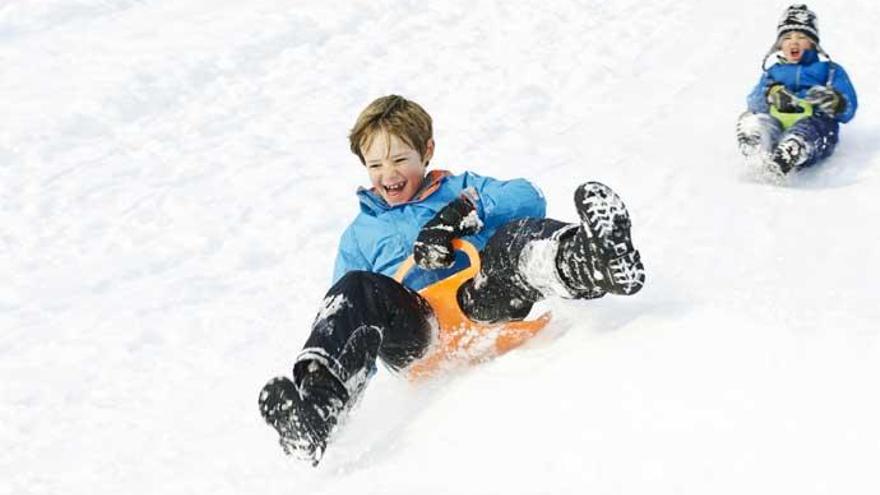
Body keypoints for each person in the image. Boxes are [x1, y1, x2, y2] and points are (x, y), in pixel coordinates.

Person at [257, 95, 646, 465]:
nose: (387, 174)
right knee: (355, 290)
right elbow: (349, 319)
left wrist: (458, 214)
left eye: (399, 159)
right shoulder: (360, 236)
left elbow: (528, 196)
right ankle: (318, 412)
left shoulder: (459, 189)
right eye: (375, 165)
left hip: (480, 302)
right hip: (416, 336)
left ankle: (596, 261)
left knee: (508, 245)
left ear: (427, 151)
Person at [736, 4, 858, 177]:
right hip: (778, 121)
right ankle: (755, 147)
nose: (793, 41)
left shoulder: (829, 70)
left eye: (801, 37)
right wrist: (771, 94)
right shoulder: (773, 72)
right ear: (779, 46)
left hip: (815, 124)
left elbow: (849, 110)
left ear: (813, 43)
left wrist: (834, 101)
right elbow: (754, 103)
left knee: (810, 128)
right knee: (756, 119)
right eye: (787, 37)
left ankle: (792, 151)